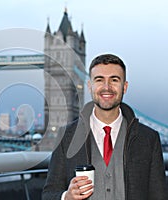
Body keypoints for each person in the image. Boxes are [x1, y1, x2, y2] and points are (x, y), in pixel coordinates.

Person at [42, 54, 168, 200]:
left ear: (124, 87)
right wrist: (66, 197)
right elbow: (48, 194)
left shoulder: (149, 139)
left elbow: (159, 196)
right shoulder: (67, 136)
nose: (107, 87)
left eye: (114, 80)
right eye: (99, 80)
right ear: (90, 86)